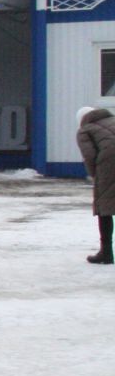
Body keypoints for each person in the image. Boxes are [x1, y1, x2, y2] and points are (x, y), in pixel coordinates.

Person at [77, 107, 115, 263]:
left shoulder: (85, 130)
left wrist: (96, 176)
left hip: (108, 164)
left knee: (104, 207)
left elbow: (89, 156)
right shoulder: (113, 120)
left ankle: (106, 252)